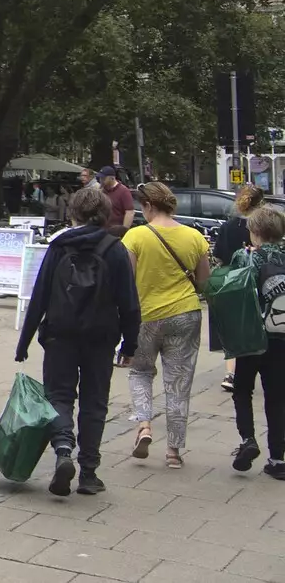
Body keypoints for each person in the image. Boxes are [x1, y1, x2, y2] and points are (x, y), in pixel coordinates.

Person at [16, 184, 140, 497]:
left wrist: (24, 343)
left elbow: (40, 296)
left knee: (59, 396)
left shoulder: (59, 247)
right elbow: (129, 303)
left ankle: (62, 452)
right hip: (100, 338)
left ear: (73, 213)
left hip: (59, 335)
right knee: (94, 402)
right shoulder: (115, 250)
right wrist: (129, 345)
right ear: (104, 214)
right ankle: (89, 473)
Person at [122, 181, 211, 469]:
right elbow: (204, 283)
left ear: (148, 205)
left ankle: (145, 425)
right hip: (186, 314)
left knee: (140, 372)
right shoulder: (195, 237)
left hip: (147, 316)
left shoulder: (135, 237)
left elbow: (127, 283)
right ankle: (173, 452)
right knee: (178, 382)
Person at [231, 205, 285, 479]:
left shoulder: (246, 256)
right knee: (277, 397)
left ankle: (247, 440)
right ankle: (277, 459)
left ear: (255, 232)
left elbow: (235, 290)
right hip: (281, 337)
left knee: (242, 389)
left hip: (251, 335)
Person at [212, 183, 265, 392]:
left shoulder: (228, 227)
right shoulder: (263, 226)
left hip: (232, 283)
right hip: (259, 282)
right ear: (260, 203)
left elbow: (218, 258)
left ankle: (231, 373)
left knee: (234, 328)